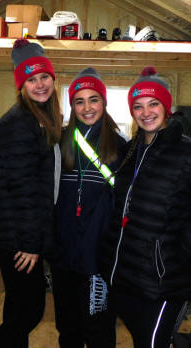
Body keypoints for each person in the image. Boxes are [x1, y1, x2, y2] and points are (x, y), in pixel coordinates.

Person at [100, 67, 191, 348]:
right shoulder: (130, 152)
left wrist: (186, 247)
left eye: (153, 104)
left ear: (166, 107)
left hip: (162, 283)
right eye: (138, 106)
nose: (146, 112)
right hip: (125, 278)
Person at [0, 39, 62, 348]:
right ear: (21, 85)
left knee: (18, 308)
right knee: (28, 311)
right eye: (31, 80)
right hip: (16, 235)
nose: (40, 84)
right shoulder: (18, 123)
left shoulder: (40, 119)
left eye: (44, 77)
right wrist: (29, 244)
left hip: (18, 231)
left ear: (52, 78)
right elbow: (21, 189)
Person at [52, 68, 126, 348]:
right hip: (63, 255)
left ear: (104, 103)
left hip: (99, 258)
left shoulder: (120, 147)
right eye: (79, 101)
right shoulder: (59, 143)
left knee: (99, 332)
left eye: (93, 99)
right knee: (68, 329)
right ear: (72, 106)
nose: (87, 108)